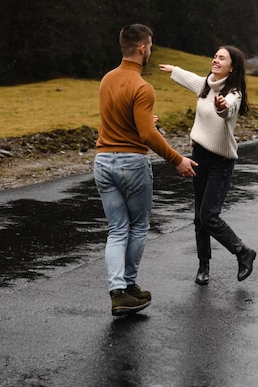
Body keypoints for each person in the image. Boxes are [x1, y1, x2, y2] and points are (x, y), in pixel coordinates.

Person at [94, 24, 197, 317]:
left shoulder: (107, 79)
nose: (150, 50)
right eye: (150, 46)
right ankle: (128, 284)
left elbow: (114, 119)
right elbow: (147, 136)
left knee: (117, 229)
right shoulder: (142, 87)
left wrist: (144, 121)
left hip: (103, 161)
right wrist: (178, 160)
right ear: (142, 49)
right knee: (137, 226)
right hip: (131, 164)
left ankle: (119, 292)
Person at [159, 46, 256, 286]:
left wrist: (222, 107)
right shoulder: (205, 84)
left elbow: (228, 108)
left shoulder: (234, 93)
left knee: (208, 216)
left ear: (232, 67)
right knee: (198, 218)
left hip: (221, 162)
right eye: (214, 56)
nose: (215, 59)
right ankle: (204, 266)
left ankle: (243, 252)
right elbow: (190, 78)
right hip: (198, 156)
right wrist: (173, 69)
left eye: (221, 58)